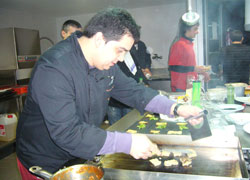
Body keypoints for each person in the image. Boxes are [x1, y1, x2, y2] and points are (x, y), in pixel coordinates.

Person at [16, 8, 203, 179]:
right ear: (99, 39)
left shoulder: (104, 64)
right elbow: (67, 133)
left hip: (80, 154)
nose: (121, 58)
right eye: (120, 50)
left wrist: (175, 108)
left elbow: (133, 91)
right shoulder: (54, 67)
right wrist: (127, 143)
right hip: (44, 161)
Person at [168, 19, 210, 92]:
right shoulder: (179, 44)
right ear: (187, 29)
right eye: (195, 29)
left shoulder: (188, 44)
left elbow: (188, 65)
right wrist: (193, 69)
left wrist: (201, 71)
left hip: (190, 85)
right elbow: (173, 67)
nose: (197, 32)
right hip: (181, 87)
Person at [108, 51, 149, 125]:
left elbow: (138, 70)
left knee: (129, 124)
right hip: (113, 100)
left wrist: (145, 82)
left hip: (128, 99)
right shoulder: (112, 57)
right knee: (115, 126)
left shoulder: (130, 55)